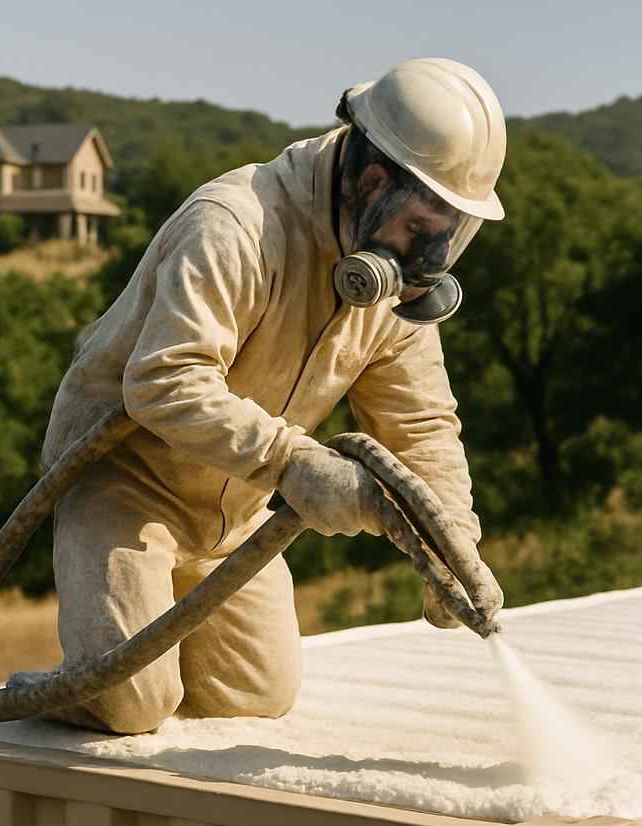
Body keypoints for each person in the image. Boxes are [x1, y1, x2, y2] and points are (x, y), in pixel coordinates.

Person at [38, 58, 508, 734]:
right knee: (129, 701)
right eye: (419, 231)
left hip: (235, 508)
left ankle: (127, 658)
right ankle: (67, 684)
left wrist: (452, 546)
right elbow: (164, 381)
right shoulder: (235, 225)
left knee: (254, 696)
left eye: (449, 237)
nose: (428, 262)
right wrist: (295, 464)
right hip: (124, 485)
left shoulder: (385, 285)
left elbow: (422, 427)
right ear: (372, 182)